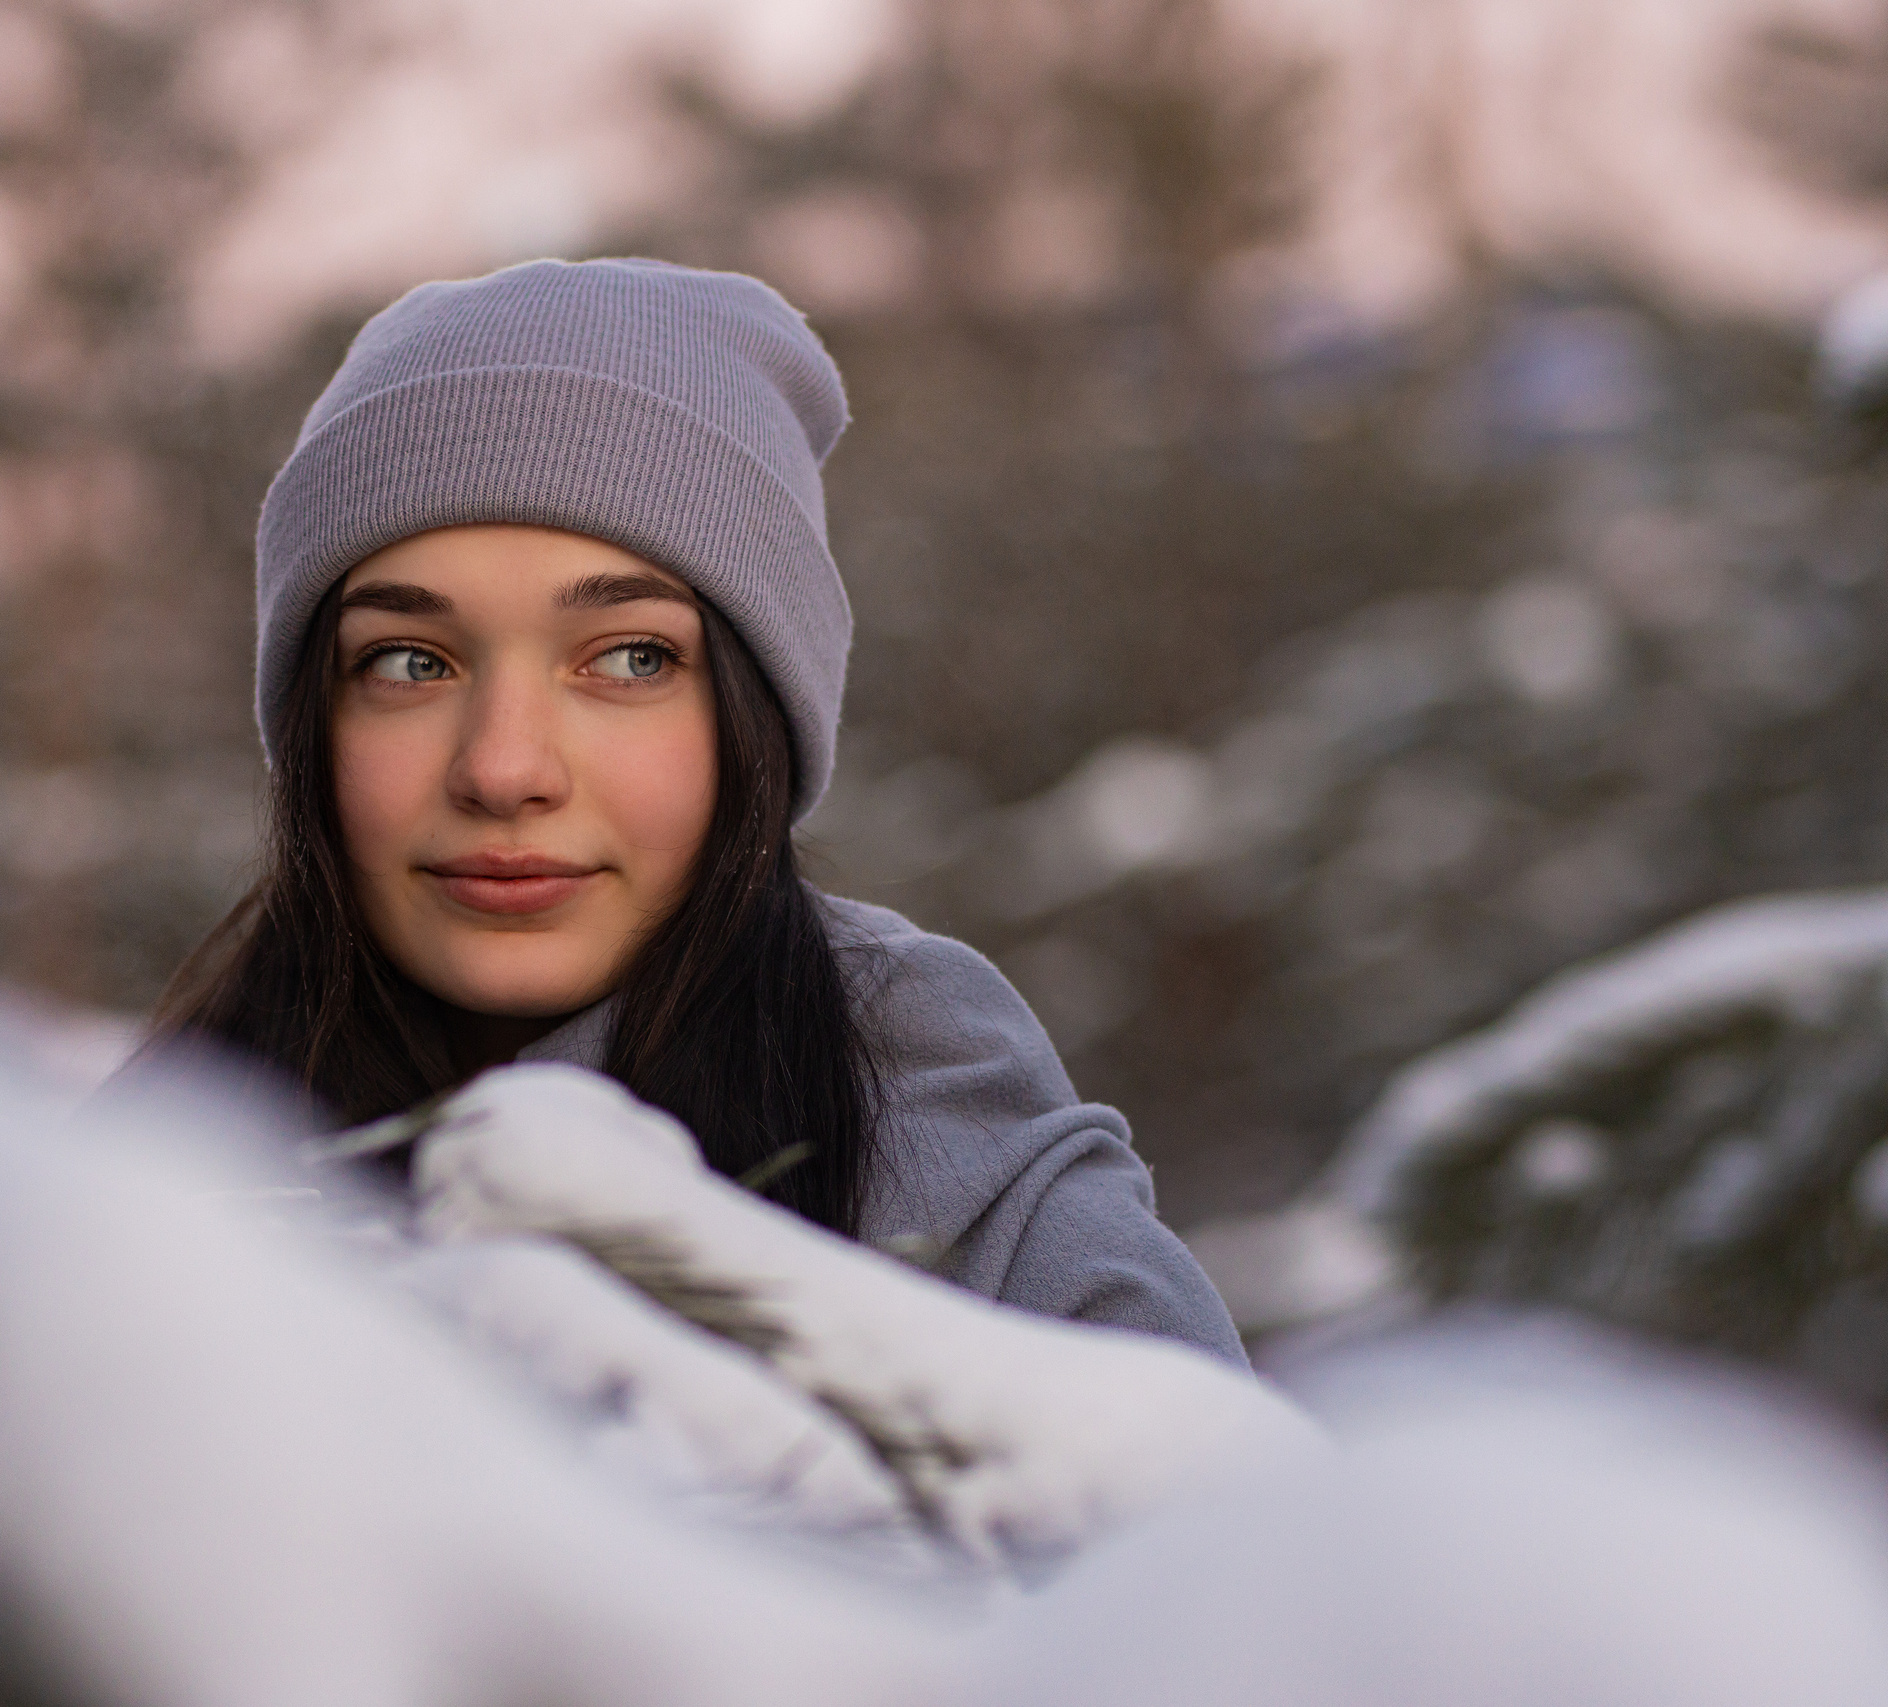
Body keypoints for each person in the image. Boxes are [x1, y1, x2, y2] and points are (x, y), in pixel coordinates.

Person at [138, 257, 1244, 1365]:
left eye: (626, 657)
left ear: (751, 716)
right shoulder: (155, 1172)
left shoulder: (938, 1135)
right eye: (409, 662)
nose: (504, 768)